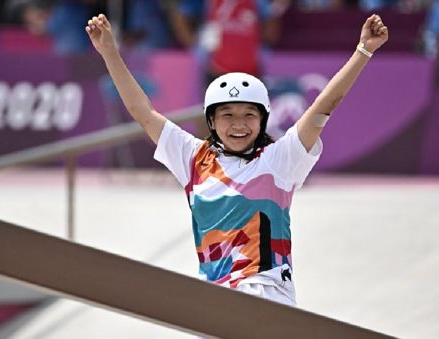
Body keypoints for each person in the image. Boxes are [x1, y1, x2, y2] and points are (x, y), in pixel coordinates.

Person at [85, 13, 388, 306]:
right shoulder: (192, 157)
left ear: (263, 120)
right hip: (214, 302)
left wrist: (363, 51)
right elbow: (143, 113)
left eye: (248, 115)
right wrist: (110, 52)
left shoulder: (281, 159)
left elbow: (325, 106)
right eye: (227, 115)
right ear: (212, 122)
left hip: (269, 296)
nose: (239, 125)